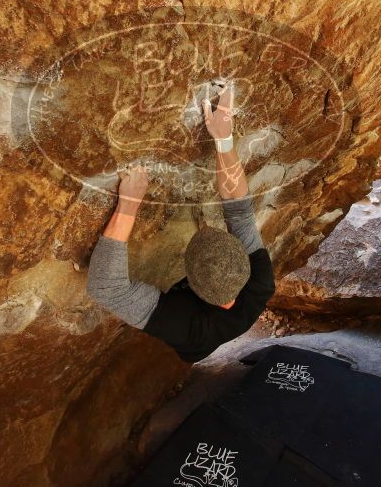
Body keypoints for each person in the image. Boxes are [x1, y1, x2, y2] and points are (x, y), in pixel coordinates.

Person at [86, 84, 276, 363]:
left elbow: (105, 287)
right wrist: (224, 140)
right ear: (242, 261)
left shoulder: (186, 326)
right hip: (228, 317)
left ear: (188, 280)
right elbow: (239, 209)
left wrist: (129, 205)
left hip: (196, 346)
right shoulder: (260, 281)